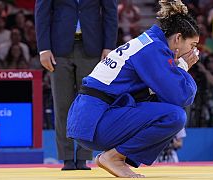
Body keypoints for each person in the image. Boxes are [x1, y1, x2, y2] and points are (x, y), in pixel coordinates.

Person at [66, 0, 199, 178]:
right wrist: (181, 68)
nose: (194, 53)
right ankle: (114, 157)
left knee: (164, 105)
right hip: (96, 122)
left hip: (90, 119)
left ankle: (114, 156)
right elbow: (182, 96)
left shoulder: (148, 43)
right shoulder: (153, 49)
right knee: (175, 116)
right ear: (177, 38)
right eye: (192, 46)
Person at [35, 0, 118, 170]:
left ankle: (83, 157)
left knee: (88, 105)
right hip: (58, 49)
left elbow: (110, 12)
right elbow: (42, 13)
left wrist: (109, 46)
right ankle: (66, 158)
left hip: (92, 48)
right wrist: (43, 48)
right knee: (62, 104)